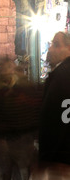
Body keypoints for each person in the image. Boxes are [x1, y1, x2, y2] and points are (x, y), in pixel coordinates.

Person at [38, 32, 70, 164]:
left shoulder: (64, 76)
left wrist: (52, 158)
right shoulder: (59, 74)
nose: (50, 49)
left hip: (60, 161)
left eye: (56, 45)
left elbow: (64, 122)